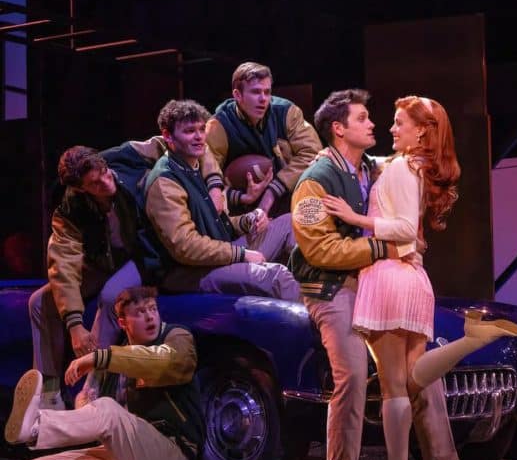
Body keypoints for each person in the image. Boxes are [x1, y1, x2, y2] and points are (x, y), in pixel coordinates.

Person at [290, 89, 503, 460]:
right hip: (332, 287)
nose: (375, 125)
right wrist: (385, 246)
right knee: (350, 373)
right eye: (364, 118)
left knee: (421, 376)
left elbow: (409, 170)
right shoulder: (315, 180)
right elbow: (320, 248)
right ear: (339, 128)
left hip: (372, 279)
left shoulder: (372, 167)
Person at [6, 286, 204, 460]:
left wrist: (99, 358)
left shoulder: (176, 337)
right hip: (131, 458)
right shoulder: (116, 359)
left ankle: (35, 427)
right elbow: (99, 412)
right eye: (139, 312)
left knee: (107, 409)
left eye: (152, 309)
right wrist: (85, 405)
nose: (149, 316)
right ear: (123, 323)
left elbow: (169, 362)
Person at [29, 139, 165, 409]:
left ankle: (93, 386)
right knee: (39, 302)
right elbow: (64, 263)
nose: (105, 181)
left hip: (141, 257)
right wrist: (74, 323)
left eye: (104, 172)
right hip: (102, 262)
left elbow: (169, 140)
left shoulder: (125, 155)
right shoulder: (70, 208)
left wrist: (214, 180)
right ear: (81, 189)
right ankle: (49, 394)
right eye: (95, 183)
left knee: (112, 295)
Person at [144, 99, 298, 300]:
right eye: (190, 131)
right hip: (191, 272)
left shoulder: (194, 165)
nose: (199, 137)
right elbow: (186, 247)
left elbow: (214, 223)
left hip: (221, 253)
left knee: (290, 222)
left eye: (201, 130)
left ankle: (315, 287)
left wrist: (245, 221)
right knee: (276, 275)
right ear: (167, 136)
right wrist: (241, 254)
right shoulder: (165, 182)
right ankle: (318, 326)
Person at [202, 61, 322, 217]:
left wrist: (273, 189)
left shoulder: (287, 112)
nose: (263, 98)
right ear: (237, 95)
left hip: (288, 197)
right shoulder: (219, 125)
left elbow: (312, 152)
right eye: (256, 92)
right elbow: (207, 175)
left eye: (267, 92)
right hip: (241, 210)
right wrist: (240, 197)